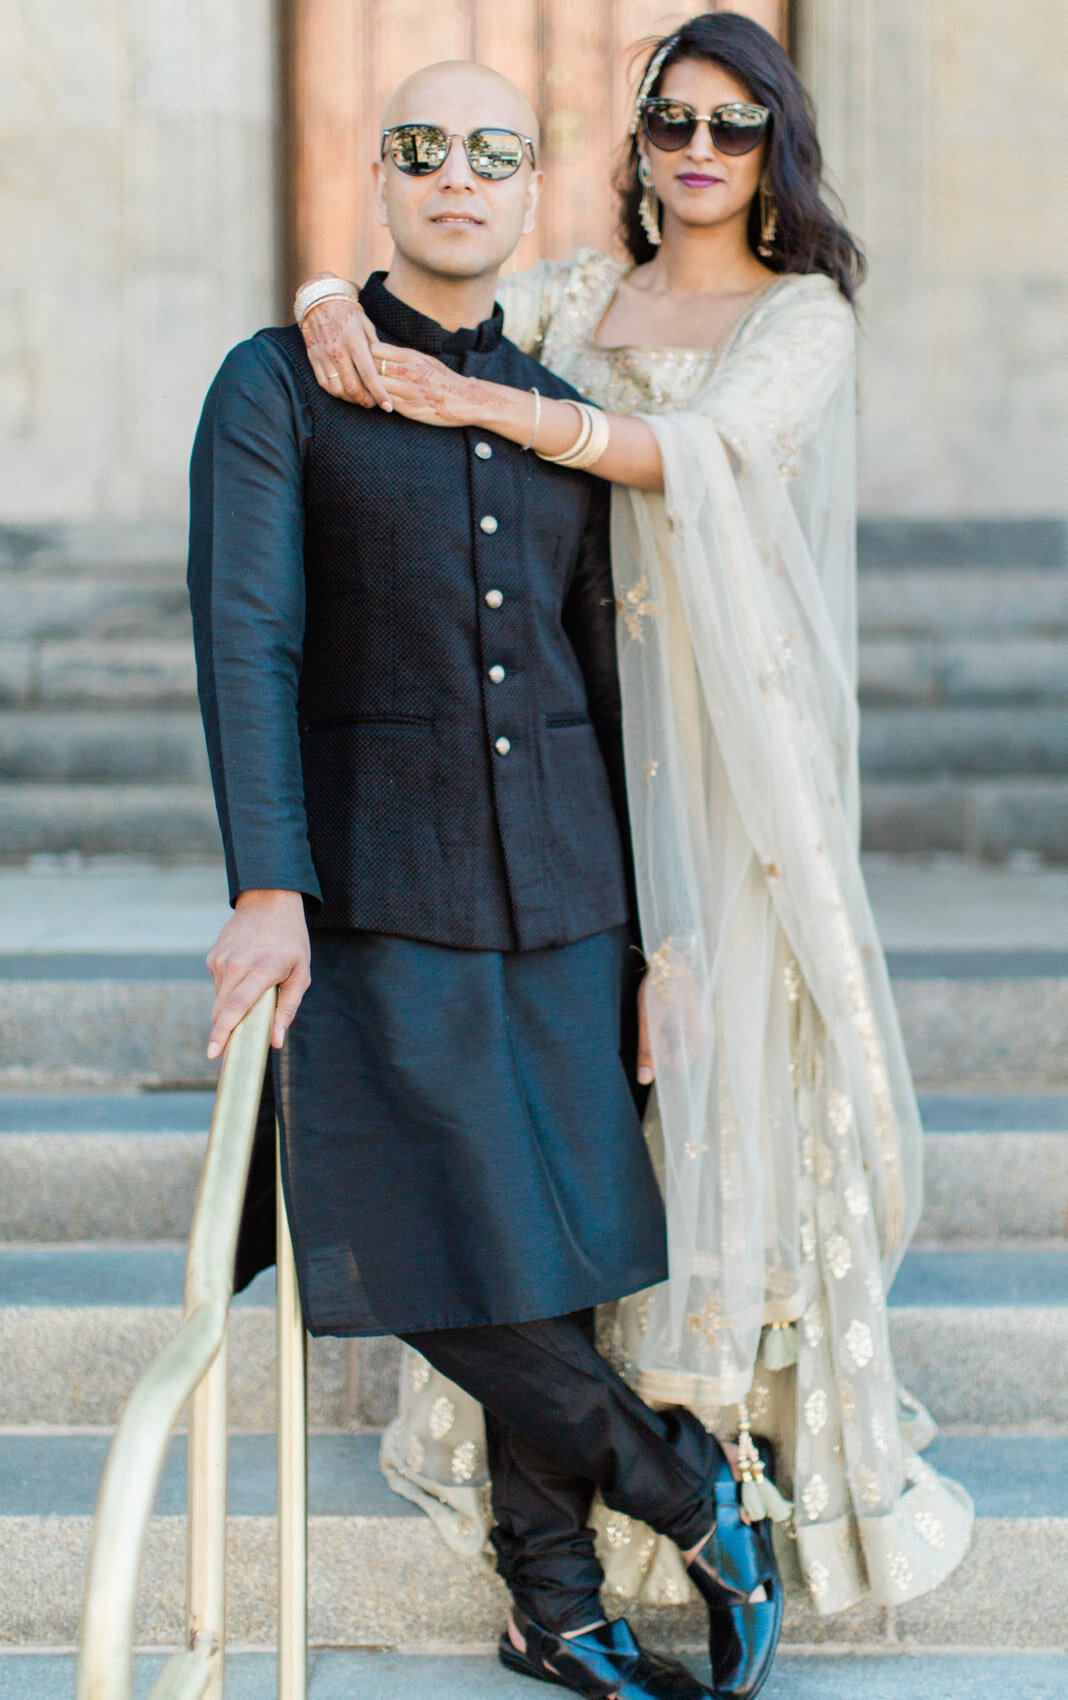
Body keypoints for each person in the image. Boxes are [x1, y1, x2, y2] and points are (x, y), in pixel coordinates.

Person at [299, 10, 975, 1625]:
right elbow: (440, 308)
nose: (697, 151)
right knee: (574, 1076)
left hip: (729, 730)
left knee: (721, 1046)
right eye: (673, 119)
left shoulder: (801, 312)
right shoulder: (574, 295)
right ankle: (590, 1473)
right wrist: (327, 295)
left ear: (775, 150)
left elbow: (715, 450)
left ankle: (725, 1427)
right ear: (640, 137)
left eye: (734, 128)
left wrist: (517, 420)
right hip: (566, 721)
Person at [189, 56, 788, 1700]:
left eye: (494, 155)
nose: (457, 179)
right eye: (422, 150)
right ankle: (683, 1485)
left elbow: (615, 668)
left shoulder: (559, 400)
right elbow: (249, 640)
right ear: (379, 179)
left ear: (529, 194)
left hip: (571, 887)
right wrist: (266, 883)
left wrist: (663, 934)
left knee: (567, 1246)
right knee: (411, 1227)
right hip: (375, 884)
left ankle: (553, 1605)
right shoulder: (276, 384)